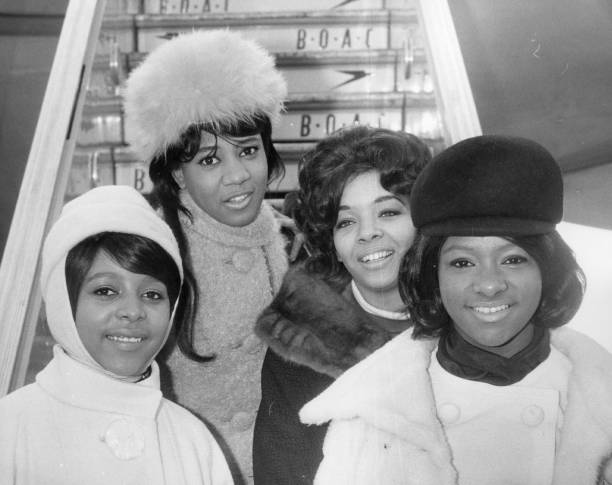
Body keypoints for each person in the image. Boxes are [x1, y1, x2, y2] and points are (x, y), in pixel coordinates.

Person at [299, 135, 612, 485]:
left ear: (548, 270)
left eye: (513, 259)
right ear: (432, 275)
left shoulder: (602, 398)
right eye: (462, 262)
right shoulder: (372, 415)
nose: (489, 284)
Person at [123, 30, 289, 484]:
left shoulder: (289, 238)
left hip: (283, 461)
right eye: (210, 161)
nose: (238, 176)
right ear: (177, 171)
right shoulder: (153, 255)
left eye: (249, 151)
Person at [0, 185, 233, 484]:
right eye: (106, 291)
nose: (133, 311)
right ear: (62, 303)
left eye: (152, 294)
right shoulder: (9, 428)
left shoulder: (193, 440)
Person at [252, 125, 432, 484]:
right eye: (347, 221)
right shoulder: (299, 345)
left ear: (423, 220)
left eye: (388, 213)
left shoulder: (465, 320)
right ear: (329, 239)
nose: (367, 233)